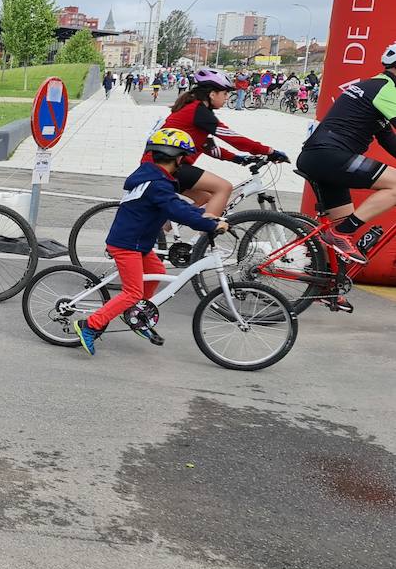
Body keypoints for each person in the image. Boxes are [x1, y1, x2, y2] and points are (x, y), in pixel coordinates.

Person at [75, 129, 226, 356]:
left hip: (138, 243)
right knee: (133, 292)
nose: (183, 162)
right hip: (127, 244)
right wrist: (209, 226)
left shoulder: (155, 178)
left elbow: (177, 205)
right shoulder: (157, 185)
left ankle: (136, 315)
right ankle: (90, 325)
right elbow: (176, 210)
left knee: (155, 270)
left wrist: (206, 217)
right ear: (176, 158)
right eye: (183, 158)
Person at [293, 41, 396, 265]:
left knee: (337, 245)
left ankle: (323, 286)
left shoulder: (373, 89)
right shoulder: (386, 89)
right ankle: (340, 233)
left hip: (323, 158)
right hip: (329, 155)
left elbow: (390, 141)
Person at [155, 68, 287, 217]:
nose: (226, 98)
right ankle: (208, 233)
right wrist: (269, 151)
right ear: (212, 94)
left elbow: (208, 147)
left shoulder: (194, 109)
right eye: (225, 94)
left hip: (164, 165)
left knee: (205, 199)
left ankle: (160, 233)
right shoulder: (199, 111)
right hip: (168, 167)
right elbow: (234, 138)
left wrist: (238, 159)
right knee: (224, 188)